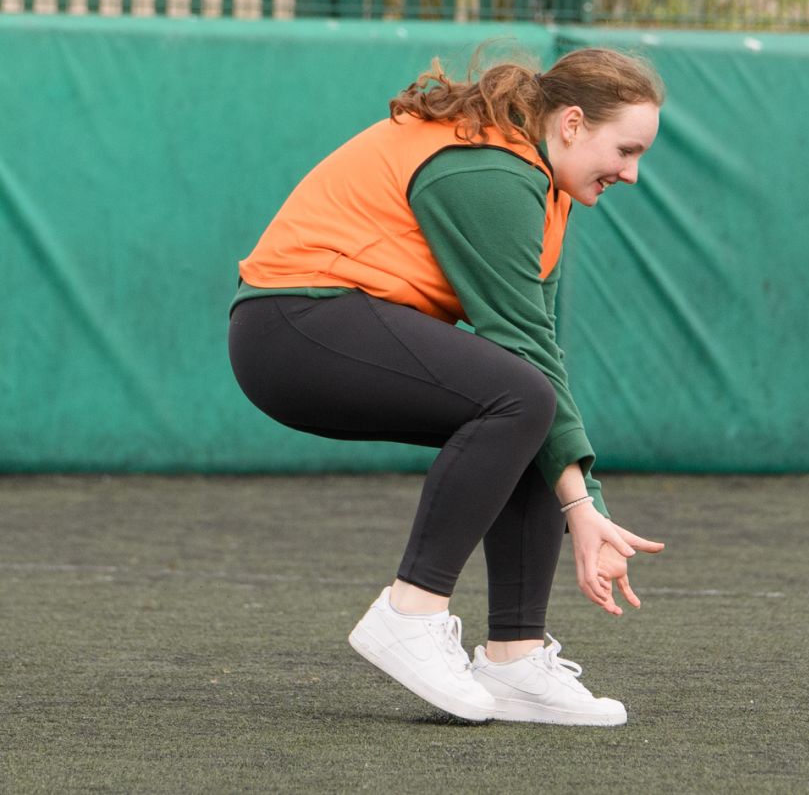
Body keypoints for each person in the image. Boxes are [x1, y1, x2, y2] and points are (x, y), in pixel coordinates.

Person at [227, 46, 666, 727]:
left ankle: (514, 659)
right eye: (627, 149)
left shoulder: (546, 187)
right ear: (573, 122)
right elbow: (523, 353)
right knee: (520, 397)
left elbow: (536, 352)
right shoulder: (490, 167)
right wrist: (582, 509)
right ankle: (412, 609)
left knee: (526, 403)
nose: (633, 173)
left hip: (328, 318)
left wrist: (588, 500)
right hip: (291, 323)